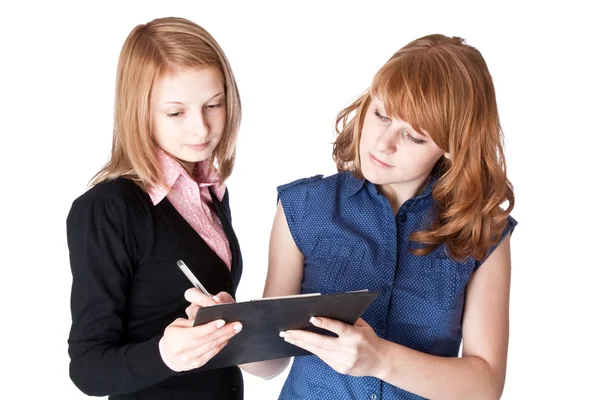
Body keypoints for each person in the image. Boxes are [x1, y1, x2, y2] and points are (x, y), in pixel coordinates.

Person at [226, 33, 516, 399]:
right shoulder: (303, 207)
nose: (382, 143)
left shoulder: (482, 231)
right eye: (381, 114)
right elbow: (266, 366)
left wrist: (380, 359)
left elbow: (485, 386)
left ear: (453, 145)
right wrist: (237, 329)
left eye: (414, 137)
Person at [66, 17, 245, 399]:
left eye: (213, 105)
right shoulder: (106, 210)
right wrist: (165, 355)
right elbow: (87, 367)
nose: (201, 129)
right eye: (176, 113)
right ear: (139, 110)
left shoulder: (210, 192)